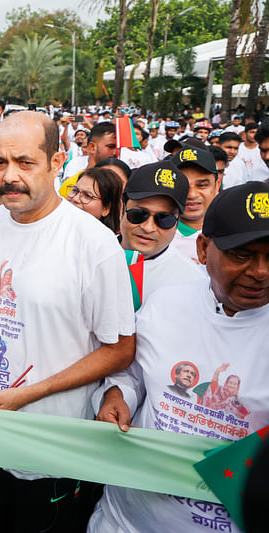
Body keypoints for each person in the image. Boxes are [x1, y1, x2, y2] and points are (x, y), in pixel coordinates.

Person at [0, 111, 135, 532]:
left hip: (53, 450)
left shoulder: (92, 244)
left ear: (57, 163)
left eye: (24, 162)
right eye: (0, 163)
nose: (10, 176)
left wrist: (31, 394)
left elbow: (120, 349)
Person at [90, 181, 269, 533]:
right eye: (242, 255)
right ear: (203, 249)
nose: (260, 272)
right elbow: (133, 375)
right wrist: (117, 397)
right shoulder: (166, 304)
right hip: (125, 520)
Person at [118, 161, 206, 305]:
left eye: (164, 219)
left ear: (177, 221)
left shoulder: (193, 281)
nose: (148, 227)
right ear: (122, 208)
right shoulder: (91, 256)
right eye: (139, 214)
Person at [170, 145, 220, 262]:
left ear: (217, 186)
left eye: (202, 185)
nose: (192, 195)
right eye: (183, 186)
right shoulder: (154, 235)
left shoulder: (231, 232)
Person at [60, 122, 118, 196]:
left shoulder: (118, 183)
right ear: (92, 147)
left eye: (118, 148)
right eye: (111, 146)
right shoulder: (71, 185)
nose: (116, 152)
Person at [66, 167, 122, 233]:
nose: (75, 199)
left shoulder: (107, 241)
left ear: (106, 209)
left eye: (87, 195)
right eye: (75, 190)